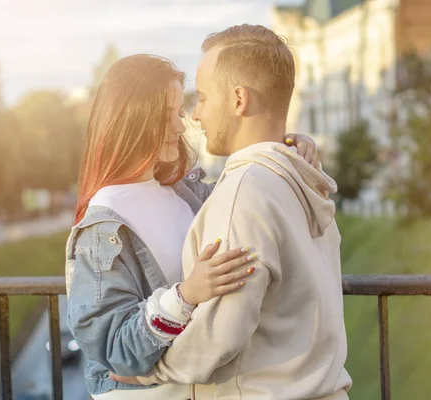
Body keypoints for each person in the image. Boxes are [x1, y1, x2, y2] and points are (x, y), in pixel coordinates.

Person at [110, 24, 353, 399]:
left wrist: (149, 372)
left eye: (203, 98)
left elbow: (221, 332)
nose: (195, 114)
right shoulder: (304, 180)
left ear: (238, 100)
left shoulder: (244, 191)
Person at [65, 53, 320, 399]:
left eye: (179, 112)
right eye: (166, 116)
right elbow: (114, 351)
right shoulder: (101, 228)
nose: (181, 126)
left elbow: (251, 191)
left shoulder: (187, 193)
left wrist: (288, 148)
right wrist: (184, 297)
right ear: (133, 120)